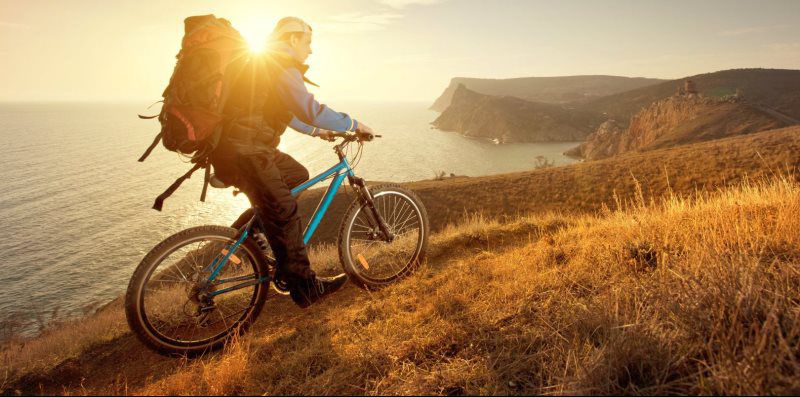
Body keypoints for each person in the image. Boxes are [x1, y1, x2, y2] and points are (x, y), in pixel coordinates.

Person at [211, 16, 376, 308]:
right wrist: (353, 123)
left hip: (239, 148)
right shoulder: (280, 65)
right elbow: (309, 108)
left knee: (297, 174)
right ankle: (305, 286)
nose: (310, 50)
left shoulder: (264, 65)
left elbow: (283, 112)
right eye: (308, 42)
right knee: (285, 210)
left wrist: (318, 131)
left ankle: (252, 236)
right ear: (292, 39)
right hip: (248, 151)